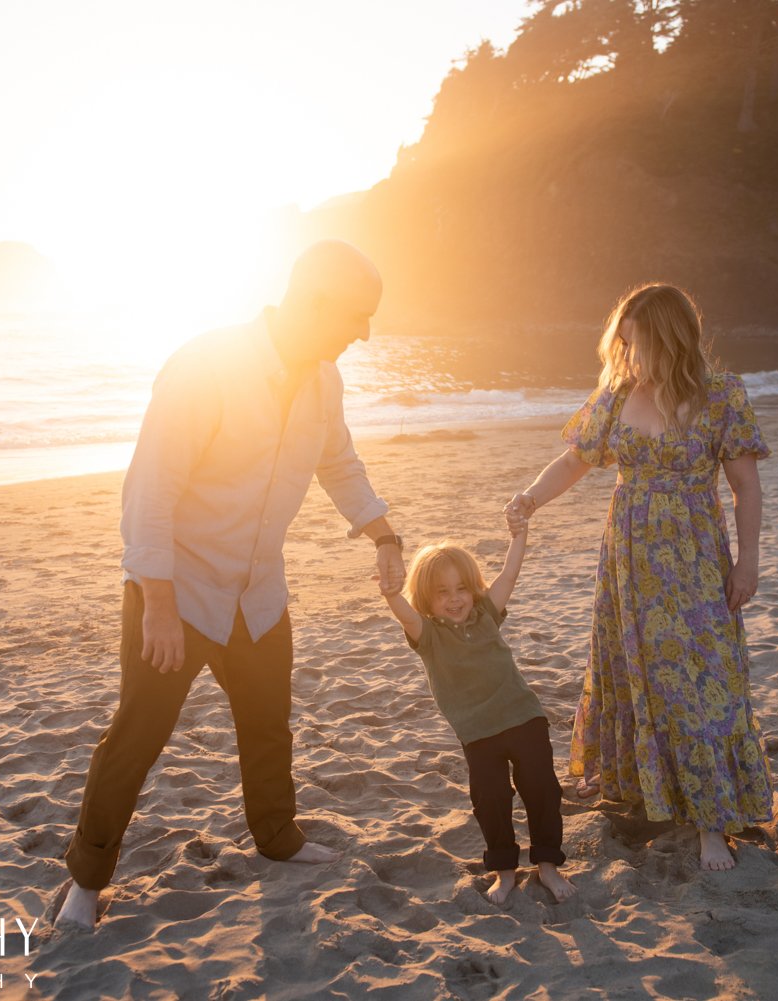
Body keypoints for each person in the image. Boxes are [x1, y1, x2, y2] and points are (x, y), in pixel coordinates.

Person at [55, 241, 406, 927]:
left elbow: (338, 461)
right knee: (137, 737)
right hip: (176, 591)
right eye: (356, 316)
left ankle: (278, 839)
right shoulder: (206, 366)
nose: (363, 332)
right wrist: (157, 603)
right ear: (314, 302)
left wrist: (383, 532)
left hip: (258, 591)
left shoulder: (324, 381)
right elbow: (150, 492)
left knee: (268, 725)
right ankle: (86, 881)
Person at [505, 282, 773, 872]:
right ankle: (647, 790)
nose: (628, 355)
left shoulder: (721, 396)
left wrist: (748, 561)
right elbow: (577, 459)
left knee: (703, 680)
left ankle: (710, 822)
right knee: (635, 671)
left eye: (637, 343)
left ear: (668, 339)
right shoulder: (618, 393)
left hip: (697, 560)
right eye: (622, 343)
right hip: (628, 562)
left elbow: (746, 487)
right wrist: (529, 498)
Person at [378, 522, 577, 905]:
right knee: (491, 800)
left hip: (523, 716)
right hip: (477, 732)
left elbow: (509, 574)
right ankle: (504, 872)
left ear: (473, 588)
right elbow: (404, 615)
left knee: (542, 790)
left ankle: (548, 865)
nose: (455, 599)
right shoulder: (429, 636)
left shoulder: (487, 612)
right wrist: (390, 593)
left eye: (461, 588)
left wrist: (519, 536)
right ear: (426, 597)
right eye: (442, 593)